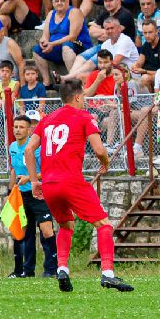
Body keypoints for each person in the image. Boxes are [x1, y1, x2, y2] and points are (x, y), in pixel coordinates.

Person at [22, 77, 132, 293]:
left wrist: (35, 181)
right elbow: (100, 150)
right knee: (104, 224)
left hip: (50, 184)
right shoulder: (83, 116)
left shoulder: (48, 119)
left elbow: (28, 150)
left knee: (65, 225)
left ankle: (62, 268)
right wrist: (105, 163)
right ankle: (108, 273)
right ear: (78, 96)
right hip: (71, 180)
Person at [7, 110, 57, 278]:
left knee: (47, 231)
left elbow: (47, 171)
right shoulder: (12, 147)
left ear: (29, 131)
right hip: (21, 196)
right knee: (23, 233)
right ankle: (25, 271)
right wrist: (10, 190)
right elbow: (14, 170)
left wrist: (29, 178)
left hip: (39, 194)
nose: (18, 130)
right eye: (15, 127)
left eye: (22, 127)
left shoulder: (36, 149)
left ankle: (52, 269)